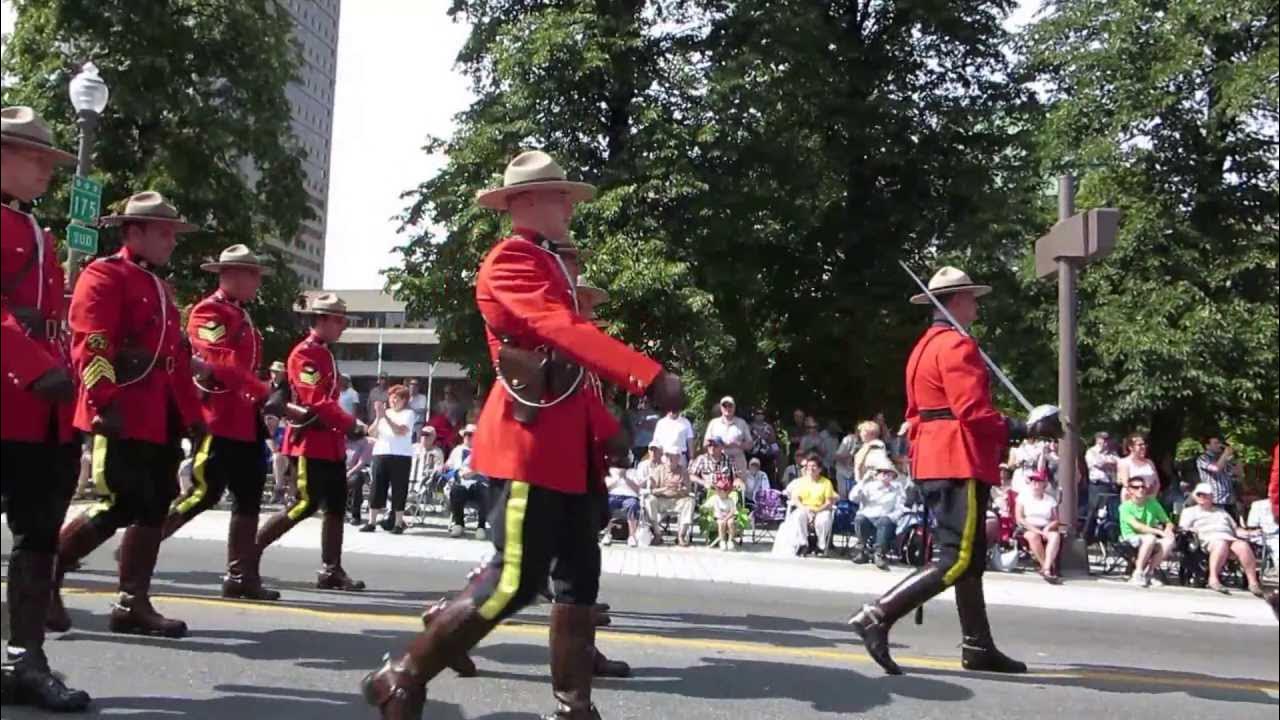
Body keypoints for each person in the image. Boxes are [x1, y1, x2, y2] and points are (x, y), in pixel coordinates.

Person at [361, 150, 683, 719]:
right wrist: (648, 374)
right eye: (559, 194)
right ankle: (402, 675)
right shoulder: (512, 260)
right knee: (515, 577)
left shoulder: (549, 263)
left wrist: (606, 428)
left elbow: (571, 364)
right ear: (524, 203)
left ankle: (573, 705)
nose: (568, 204)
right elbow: (561, 332)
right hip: (528, 448)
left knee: (580, 577)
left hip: (565, 449)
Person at [848, 265, 1060, 677]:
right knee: (958, 557)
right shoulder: (958, 347)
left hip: (935, 457)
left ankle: (977, 645)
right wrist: (1025, 428)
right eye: (973, 298)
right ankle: (878, 615)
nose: (977, 305)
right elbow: (974, 413)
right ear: (958, 300)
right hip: (957, 458)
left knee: (972, 557)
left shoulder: (925, 346)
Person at [51, 191, 206, 641]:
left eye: (173, 233)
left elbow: (174, 358)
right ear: (132, 232)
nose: (171, 241)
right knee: (119, 500)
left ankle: (131, 602)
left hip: (158, 413)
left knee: (155, 502)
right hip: (120, 408)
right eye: (163, 232)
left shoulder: (161, 287)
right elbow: (92, 342)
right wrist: (103, 401)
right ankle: (47, 579)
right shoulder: (104, 275)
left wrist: (191, 415)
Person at [0, 105, 91, 711]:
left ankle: (24, 661)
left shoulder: (38, 231)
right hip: (15, 396)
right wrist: (37, 369)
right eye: (34, 157)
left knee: (37, 538)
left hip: (43, 412)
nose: (46, 170)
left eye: (49, 160)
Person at [150, 244, 280, 602]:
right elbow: (218, 361)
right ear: (230, 276)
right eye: (251, 274)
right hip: (218, 418)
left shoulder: (242, 314)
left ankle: (240, 575)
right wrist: (261, 389)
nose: (257, 282)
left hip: (244, 418)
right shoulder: (210, 311)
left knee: (250, 496)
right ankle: (143, 545)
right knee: (204, 492)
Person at [257, 293, 367, 592]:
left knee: (335, 506)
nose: (343, 326)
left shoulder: (324, 353)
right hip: (309, 442)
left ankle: (331, 570)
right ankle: (250, 551)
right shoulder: (305, 353)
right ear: (320, 320)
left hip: (328, 442)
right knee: (303, 504)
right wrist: (351, 423)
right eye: (338, 320)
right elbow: (315, 399)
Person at [1178, 483, 1264, 596]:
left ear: (1211, 497)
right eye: (1199, 495)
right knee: (1221, 543)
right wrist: (1193, 530)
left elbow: (1235, 529)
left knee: (1243, 546)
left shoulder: (1221, 512)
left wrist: (1250, 533)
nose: (1201, 497)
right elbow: (1183, 528)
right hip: (1208, 538)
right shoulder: (1190, 512)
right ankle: (1213, 579)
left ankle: (1253, 583)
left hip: (1229, 537)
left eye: (1205, 495)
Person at [365, 385, 416, 534]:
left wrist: (385, 417)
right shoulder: (384, 414)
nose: (393, 401)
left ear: (404, 400)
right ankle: (371, 521)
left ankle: (398, 523)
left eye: (397, 398)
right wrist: (378, 417)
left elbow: (400, 431)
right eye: (392, 397)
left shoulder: (408, 414)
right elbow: (372, 433)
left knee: (399, 489)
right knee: (377, 487)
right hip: (382, 453)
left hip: (401, 455)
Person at [849, 454, 904, 570]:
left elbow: (900, 507)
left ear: (893, 476)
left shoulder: (897, 488)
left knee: (885, 522)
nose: (886, 476)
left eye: (889, 473)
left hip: (886, 518)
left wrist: (891, 517)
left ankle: (879, 554)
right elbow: (853, 498)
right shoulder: (869, 486)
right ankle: (862, 550)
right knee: (860, 518)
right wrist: (863, 481)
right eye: (883, 473)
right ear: (877, 475)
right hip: (868, 516)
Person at [1119, 476, 1175, 588]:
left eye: (1143, 487)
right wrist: (1158, 532)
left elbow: (1168, 521)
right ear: (1129, 490)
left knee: (1169, 541)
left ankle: (1149, 573)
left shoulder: (1153, 503)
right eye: (1136, 487)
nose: (1140, 489)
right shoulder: (1125, 507)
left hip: (1149, 537)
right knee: (1150, 538)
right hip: (1130, 538)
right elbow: (1138, 526)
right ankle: (1138, 572)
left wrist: (1168, 530)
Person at [785, 453, 839, 557]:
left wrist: (816, 511)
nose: (811, 469)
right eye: (809, 466)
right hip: (805, 508)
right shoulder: (801, 481)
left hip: (821, 509)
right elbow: (796, 499)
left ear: (819, 469)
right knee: (798, 516)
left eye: (814, 466)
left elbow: (829, 502)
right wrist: (806, 510)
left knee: (823, 520)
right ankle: (803, 543)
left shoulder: (826, 483)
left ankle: (821, 545)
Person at [1015, 470, 1063, 584]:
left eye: (1038, 481)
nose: (1035, 484)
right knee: (1033, 536)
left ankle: (1046, 568)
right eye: (1033, 481)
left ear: (1044, 484)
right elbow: (1020, 518)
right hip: (1028, 526)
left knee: (1055, 536)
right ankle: (1047, 568)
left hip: (1045, 526)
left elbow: (1056, 520)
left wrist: (1047, 528)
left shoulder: (1050, 499)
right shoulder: (1023, 497)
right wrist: (1038, 531)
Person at [444, 424, 488, 539]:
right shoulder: (457, 450)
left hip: (478, 483)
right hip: (461, 482)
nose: (468, 437)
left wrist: (474, 472)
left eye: (471, 435)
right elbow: (449, 465)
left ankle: (481, 526)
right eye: (466, 434)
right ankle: (459, 524)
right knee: (456, 490)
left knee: (485, 491)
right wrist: (445, 467)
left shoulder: (484, 451)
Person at [645, 450, 697, 546]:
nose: (669, 459)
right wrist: (665, 489)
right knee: (649, 500)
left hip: (678, 499)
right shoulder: (659, 469)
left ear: (678, 458)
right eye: (668, 456)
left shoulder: (683, 471)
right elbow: (652, 491)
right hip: (662, 498)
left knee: (690, 501)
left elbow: (688, 490)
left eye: (672, 457)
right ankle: (657, 534)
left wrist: (680, 489)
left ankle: (681, 536)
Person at [1084, 431, 1119, 543]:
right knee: (1093, 509)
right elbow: (1097, 463)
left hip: (1110, 485)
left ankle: (1108, 537)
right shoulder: (1091, 452)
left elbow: (1119, 463)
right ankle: (1087, 536)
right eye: (1103, 439)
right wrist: (1109, 464)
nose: (1105, 442)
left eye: (1107, 440)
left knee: (1109, 511)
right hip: (1097, 485)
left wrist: (1107, 463)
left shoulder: (1112, 452)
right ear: (1097, 439)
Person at [704, 396, 752, 477]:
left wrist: (738, 444)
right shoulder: (713, 423)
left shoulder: (742, 423)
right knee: (718, 487)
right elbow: (705, 443)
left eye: (730, 406)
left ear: (734, 407)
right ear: (721, 408)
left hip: (737, 461)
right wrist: (717, 443)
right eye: (724, 406)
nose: (727, 408)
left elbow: (750, 445)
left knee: (738, 488)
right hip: (718, 461)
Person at [1196, 437, 1241, 519]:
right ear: (1207, 446)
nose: (1219, 445)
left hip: (1229, 500)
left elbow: (1237, 473)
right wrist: (1225, 454)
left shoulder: (1224, 458)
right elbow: (1216, 468)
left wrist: (1236, 458)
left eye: (1220, 443)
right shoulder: (1203, 458)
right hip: (1214, 500)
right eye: (1216, 443)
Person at [603, 465, 642, 547]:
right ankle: (607, 534)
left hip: (630, 497)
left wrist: (626, 478)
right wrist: (618, 479)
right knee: (606, 503)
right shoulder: (610, 470)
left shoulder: (633, 472)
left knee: (633, 505)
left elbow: (637, 490)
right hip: (613, 496)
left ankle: (632, 536)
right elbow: (606, 489)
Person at [1117, 433, 1159, 498]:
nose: (1143, 447)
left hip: (1150, 498)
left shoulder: (1149, 462)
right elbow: (1126, 484)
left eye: (1144, 444)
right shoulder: (1124, 462)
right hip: (1131, 498)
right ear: (1131, 447)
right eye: (1140, 445)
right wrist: (1140, 495)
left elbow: (1157, 483)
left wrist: (1152, 496)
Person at [346, 432, 374, 525]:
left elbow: (361, 463)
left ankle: (355, 515)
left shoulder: (367, 443)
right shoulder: (342, 440)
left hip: (358, 471)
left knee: (356, 480)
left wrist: (349, 473)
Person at [710, 476, 737, 551]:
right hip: (719, 517)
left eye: (723, 491)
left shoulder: (730, 500)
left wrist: (727, 518)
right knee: (721, 523)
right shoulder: (717, 500)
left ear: (727, 492)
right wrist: (722, 518)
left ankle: (730, 541)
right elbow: (717, 510)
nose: (721, 493)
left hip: (728, 516)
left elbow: (732, 511)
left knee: (731, 523)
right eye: (719, 491)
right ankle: (722, 541)